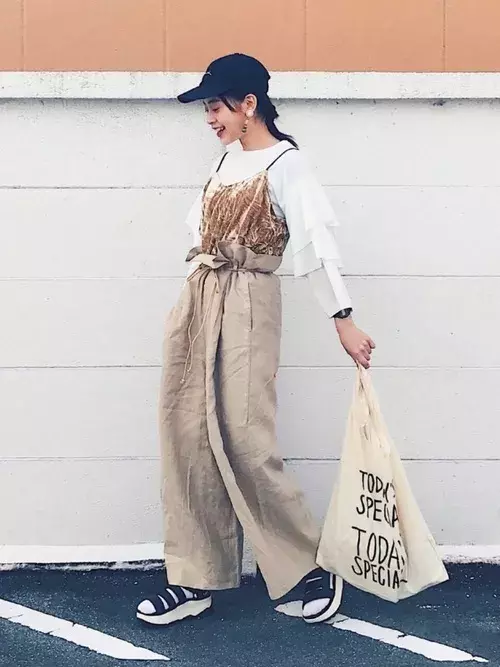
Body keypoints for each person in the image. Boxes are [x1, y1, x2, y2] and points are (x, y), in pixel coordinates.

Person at [137, 53, 375, 627]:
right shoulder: (225, 160)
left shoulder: (288, 164)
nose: (209, 118)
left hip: (249, 298)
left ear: (250, 104)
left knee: (245, 435)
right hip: (200, 296)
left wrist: (343, 317)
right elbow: (198, 231)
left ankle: (304, 569)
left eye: (216, 107)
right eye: (207, 109)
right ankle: (193, 575)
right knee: (187, 431)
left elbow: (315, 246)